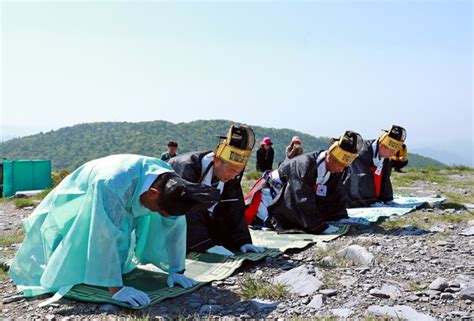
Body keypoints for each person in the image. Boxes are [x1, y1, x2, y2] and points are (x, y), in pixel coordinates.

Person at [8, 154, 221, 307]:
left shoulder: (170, 181)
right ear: (153, 193)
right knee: (70, 244)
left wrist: (176, 269)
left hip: (129, 188)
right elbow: (104, 235)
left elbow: (174, 224)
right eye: (160, 209)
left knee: (154, 223)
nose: (162, 214)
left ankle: (102, 270)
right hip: (83, 193)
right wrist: (116, 289)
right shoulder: (111, 185)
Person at [168, 125, 264, 256]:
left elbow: (234, 207)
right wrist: (205, 245)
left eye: (238, 172)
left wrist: (243, 241)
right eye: (231, 170)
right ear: (217, 160)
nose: (233, 176)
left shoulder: (230, 176)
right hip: (167, 219)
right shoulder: (188, 167)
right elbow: (186, 210)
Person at [245, 131, 363, 234]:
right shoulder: (304, 165)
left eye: (345, 166)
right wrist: (319, 227)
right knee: (267, 222)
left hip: (289, 195)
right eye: (341, 165)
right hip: (272, 195)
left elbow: (336, 194)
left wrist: (339, 216)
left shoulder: (334, 168)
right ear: (330, 156)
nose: (342, 169)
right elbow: (302, 198)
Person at [343, 125, 407, 207]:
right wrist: (372, 202)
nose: (394, 153)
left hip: (373, 196)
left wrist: (387, 199)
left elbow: (385, 179)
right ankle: (368, 201)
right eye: (392, 150)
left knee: (385, 173)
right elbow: (361, 179)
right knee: (365, 176)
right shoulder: (362, 152)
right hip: (353, 197)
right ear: (382, 146)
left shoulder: (385, 156)